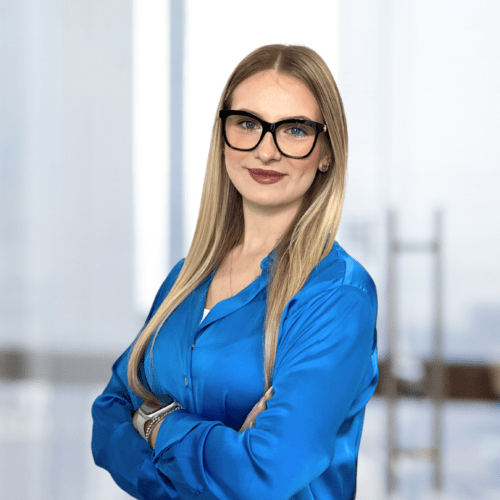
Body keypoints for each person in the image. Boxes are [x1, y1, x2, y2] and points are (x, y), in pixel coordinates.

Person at [91, 44, 378, 500]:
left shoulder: (337, 296)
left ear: (327, 151)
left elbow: (265, 474)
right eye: (247, 124)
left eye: (295, 130)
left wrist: (156, 421)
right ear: (223, 136)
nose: (266, 151)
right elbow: (108, 416)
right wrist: (221, 451)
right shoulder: (186, 278)